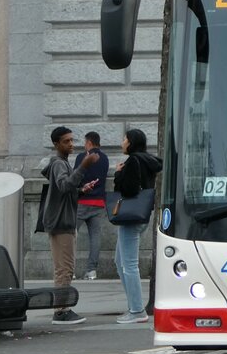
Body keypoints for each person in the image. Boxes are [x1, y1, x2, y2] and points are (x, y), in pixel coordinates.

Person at [42, 126, 99, 325]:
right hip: (61, 223)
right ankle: (61, 311)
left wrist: (81, 190)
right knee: (64, 269)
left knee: (66, 267)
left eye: (72, 140)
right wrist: (83, 166)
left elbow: (67, 191)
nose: (71, 144)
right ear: (56, 144)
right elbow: (64, 186)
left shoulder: (62, 163)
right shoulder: (58, 163)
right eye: (67, 141)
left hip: (63, 221)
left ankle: (62, 309)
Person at [113, 128, 162, 324]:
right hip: (140, 215)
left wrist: (118, 175)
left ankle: (136, 309)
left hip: (130, 217)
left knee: (129, 265)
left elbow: (130, 189)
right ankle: (133, 305)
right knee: (119, 261)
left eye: (124, 138)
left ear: (131, 142)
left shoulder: (133, 161)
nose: (122, 142)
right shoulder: (148, 160)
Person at [73, 132, 109, 280]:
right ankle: (91, 270)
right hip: (99, 202)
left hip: (82, 201)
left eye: (84, 142)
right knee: (95, 237)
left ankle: (70, 270)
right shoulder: (105, 158)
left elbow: (75, 177)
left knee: (70, 235)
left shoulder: (82, 157)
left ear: (88, 142)